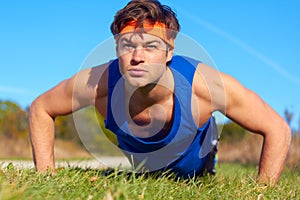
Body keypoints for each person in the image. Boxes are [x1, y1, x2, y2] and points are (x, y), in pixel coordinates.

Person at [29, 0, 291, 185]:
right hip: (145, 163)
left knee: (193, 169)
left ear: (170, 51)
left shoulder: (207, 86)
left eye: (151, 46)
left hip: (196, 159)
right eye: (127, 45)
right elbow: (41, 107)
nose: (138, 57)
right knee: (152, 171)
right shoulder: (98, 83)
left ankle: (207, 151)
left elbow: (277, 128)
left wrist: (263, 192)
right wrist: (45, 175)